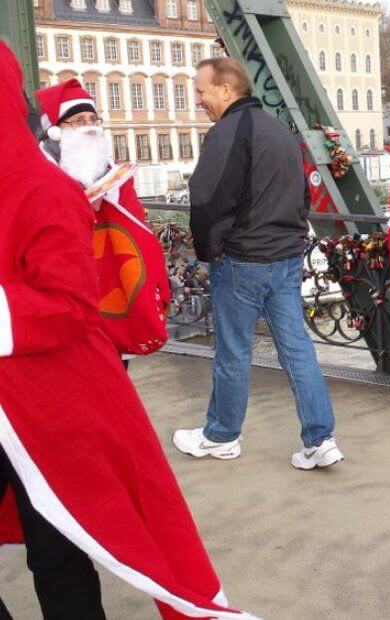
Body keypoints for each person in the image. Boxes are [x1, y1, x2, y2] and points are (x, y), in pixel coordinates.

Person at [0, 41, 249, 619]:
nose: (87, 127)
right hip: (19, 403)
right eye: (75, 118)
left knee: (55, 550)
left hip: (49, 407)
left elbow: (69, 302)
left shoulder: (42, 189)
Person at [171, 57, 342, 470]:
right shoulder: (280, 130)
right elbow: (303, 193)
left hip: (244, 260)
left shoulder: (227, 132)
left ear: (227, 90)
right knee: (298, 350)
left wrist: (212, 252)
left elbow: (209, 200)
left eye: (202, 90)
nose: (198, 99)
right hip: (285, 256)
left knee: (232, 351)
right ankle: (320, 439)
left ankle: (221, 436)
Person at [34, 79, 171, 369]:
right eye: (78, 120)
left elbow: (136, 222)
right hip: (66, 286)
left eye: (93, 118)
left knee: (116, 370)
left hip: (112, 282)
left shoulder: (114, 171)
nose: (90, 126)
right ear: (57, 129)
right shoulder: (39, 170)